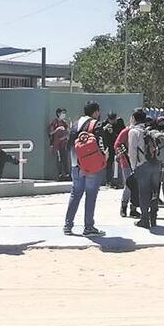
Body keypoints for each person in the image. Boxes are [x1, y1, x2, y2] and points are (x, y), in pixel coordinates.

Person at [63, 101, 109, 238]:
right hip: (92, 167)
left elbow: (69, 146)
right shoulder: (96, 124)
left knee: (75, 194)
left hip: (76, 165)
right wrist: (103, 158)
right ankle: (88, 227)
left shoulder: (75, 124)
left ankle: (68, 225)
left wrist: (74, 163)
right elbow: (100, 144)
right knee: (90, 196)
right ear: (95, 112)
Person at [128, 112, 161, 229]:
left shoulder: (133, 132)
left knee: (144, 193)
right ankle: (154, 218)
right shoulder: (150, 131)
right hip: (155, 164)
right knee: (154, 191)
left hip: (142, 165)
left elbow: (132, 152)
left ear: (134, 118)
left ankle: (144, 219)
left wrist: (133, 167)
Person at [114, 112, 142, 218]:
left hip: (138, 162)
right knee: (129, 185)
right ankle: (124, 206)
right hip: (126, 162)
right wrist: (123, 155)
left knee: (137, 186)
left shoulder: (140, 131)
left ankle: (133, 208)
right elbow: (117, 145)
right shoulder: (126, 131)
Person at [48, 108, 71, 181]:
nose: (64, 115)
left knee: (65, 159)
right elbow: (50, 133)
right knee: (59, 159)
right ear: (58, 114)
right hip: (56, 144)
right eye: (62, 113)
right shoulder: (54, 122)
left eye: (64, 113)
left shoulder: (64, 122)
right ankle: (60, 175)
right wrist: (57, 129)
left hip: (63, 144)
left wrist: (67, 135)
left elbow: (68, 132)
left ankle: (67, 175)